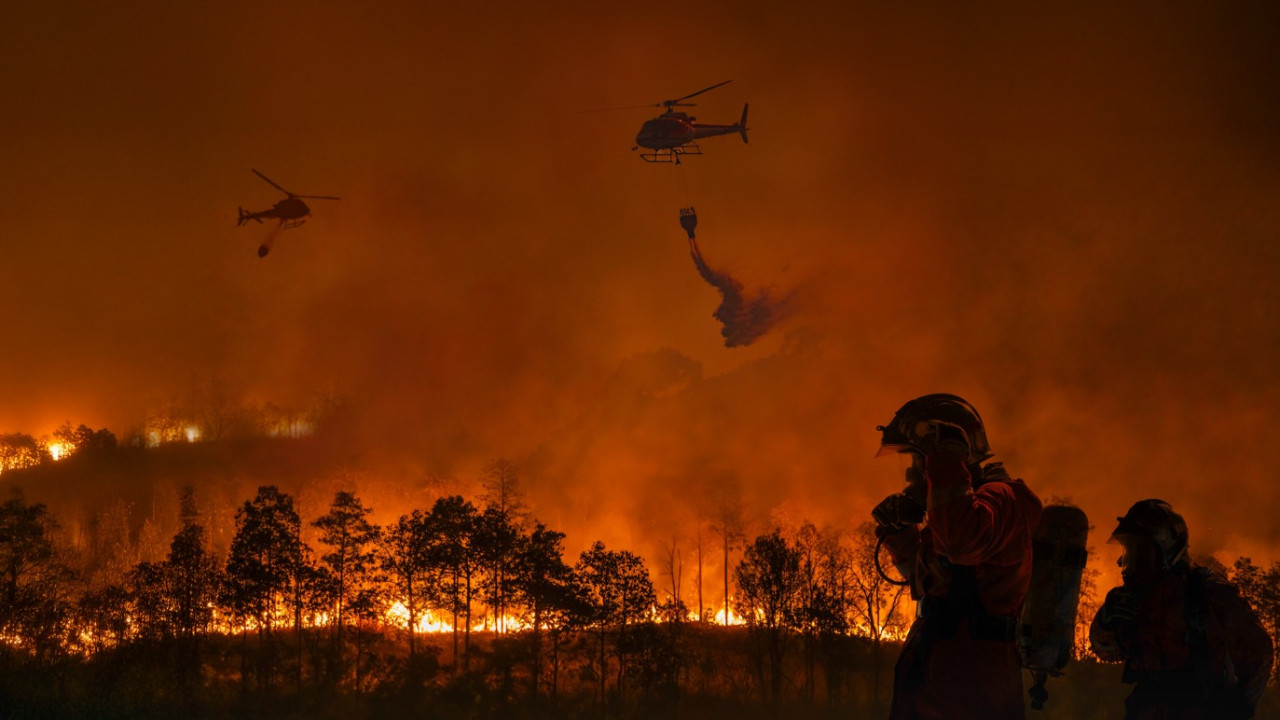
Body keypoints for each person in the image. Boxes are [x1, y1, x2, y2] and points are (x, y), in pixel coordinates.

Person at [872, 393, 1043, 720]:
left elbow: (962, 546)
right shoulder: (957, 512)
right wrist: (898, 532)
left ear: (949, 454)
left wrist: (945, 462)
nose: (911, 474)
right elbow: (928, 584)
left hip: (972, 686)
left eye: (917, 460)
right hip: (935, 681)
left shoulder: (1003, 499)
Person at [1090, 499, 1273, 720]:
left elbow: (1260, 651)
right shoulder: (1131, 599)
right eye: (1129, 550)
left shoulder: (1208, 593)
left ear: (1167, 552)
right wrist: (1107, 622)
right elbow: (1106, 652)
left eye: (1140, 552)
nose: (1130, 562)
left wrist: (1238, 705)